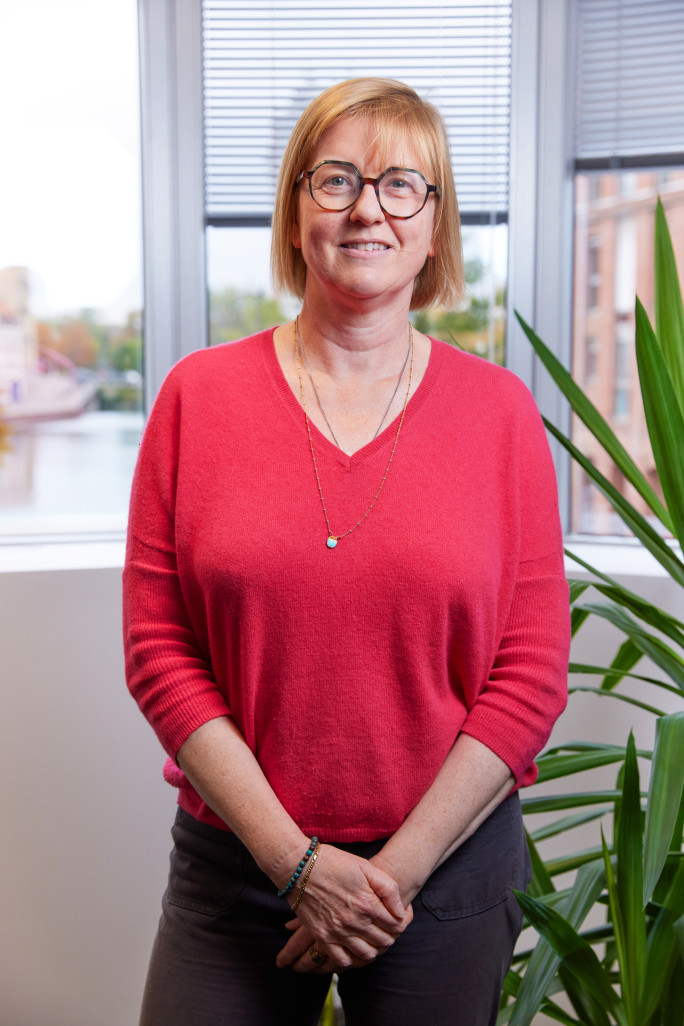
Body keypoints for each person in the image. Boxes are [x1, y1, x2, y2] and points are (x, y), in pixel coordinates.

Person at [123, 77, 570, 1026]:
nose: (367, 207)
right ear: (296, 213)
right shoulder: (196, 398)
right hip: (238, 869)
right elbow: (159, 653)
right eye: (336, 180)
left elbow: (531, 674)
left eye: (402, 184)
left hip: (443, 876)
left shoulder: (500, 415)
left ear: (435, 228)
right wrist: (296, 864)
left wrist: (385, 878)